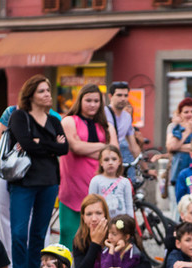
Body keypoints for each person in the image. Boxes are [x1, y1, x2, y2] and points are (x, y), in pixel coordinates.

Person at [8, 75, 69, 268]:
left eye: (48, 90)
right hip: (23, 181)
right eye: (42, 91)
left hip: (49, 181)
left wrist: (39, 143)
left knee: (39, 234)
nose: (48, 95)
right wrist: (51, 146)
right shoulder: (19, 116)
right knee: (18, 232)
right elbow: (25, 144)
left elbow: (65, 149)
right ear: (31, 94)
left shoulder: (54, 120)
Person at [60, 84, 118, 248]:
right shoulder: (69, 121)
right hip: (73, 185)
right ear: (80, 101)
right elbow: (75, 147)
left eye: (96, 101)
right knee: (68, 232)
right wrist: (103, 147)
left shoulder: (107, 126)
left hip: (100, 184)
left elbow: (114, 152)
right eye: (88, 100)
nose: (92, 104)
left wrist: (86, 148)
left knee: (98, 231)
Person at [166, 97, 192, 220]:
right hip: (176, 172)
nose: (190, 115)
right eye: (186, 112)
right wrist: (188, 130)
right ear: (180, 114)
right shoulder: (173, 127)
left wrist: (178, 146)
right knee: (177, 207)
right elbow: (170, 146)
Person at [104, 81, 142, 171]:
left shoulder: (127, 117)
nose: (123, 99)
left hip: (117, 160)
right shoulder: (103, 113)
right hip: (104, 159)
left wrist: (145, 168)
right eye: (119, 95)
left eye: (126, 95)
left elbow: (133, 146)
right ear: (110, 96)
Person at [88, 145, 134, 218]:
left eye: (114, 159)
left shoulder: (125, 182)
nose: (110, 163)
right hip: (102, 222)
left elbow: (129, 206)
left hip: (121, 223)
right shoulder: (96, 181)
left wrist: (130, 224)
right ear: (101, 162)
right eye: (106, 160)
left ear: (119, 161)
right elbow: (91, 204)